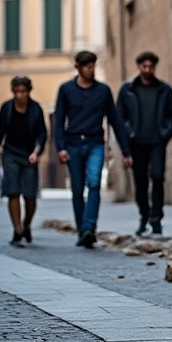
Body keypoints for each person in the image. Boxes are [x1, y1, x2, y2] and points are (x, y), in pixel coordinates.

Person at [54, 51, 132, 249]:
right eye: (87, 66)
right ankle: (83, 231)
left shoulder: (103, 91)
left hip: (95, 143)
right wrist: (60, 147)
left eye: (93, 66)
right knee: (77, 189)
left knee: (95, 183)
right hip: (72, 144)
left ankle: (90, 227)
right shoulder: (66, 90)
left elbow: (115, 120)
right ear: (78, 67)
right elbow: (59, 120)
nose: (91, 70)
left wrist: (126, 150)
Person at [116, 51, 172, 236]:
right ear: (139, 67)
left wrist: (165, 134)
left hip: (157, 142)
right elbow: (120, 116)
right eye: (144, 66)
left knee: (158, 177)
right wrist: (129, 134)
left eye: (151, 67)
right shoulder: (128, 90)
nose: (148, 70)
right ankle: (144, 215)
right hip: (137, 143)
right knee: (140, 182)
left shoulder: (164, 90)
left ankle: (157, 218)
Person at [0, 77, 47, 245]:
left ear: (29, 92)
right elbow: (0, 131)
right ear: (13, 92)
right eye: (17, 92)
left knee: (30, 196)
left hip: (30, 155)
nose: (20, 95)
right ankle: (17, 230)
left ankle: (27, 224)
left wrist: (36, 151)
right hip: (10, 154)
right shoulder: (7, 108)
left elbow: (42, 134)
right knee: (13, 192)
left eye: (24, 92)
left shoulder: (35, 109)